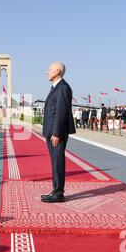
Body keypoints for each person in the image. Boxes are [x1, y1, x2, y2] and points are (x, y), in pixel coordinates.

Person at [41, 62, 76, 203]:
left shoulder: (62, 88)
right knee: (55, 161)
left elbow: (60, 113)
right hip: (52, 131)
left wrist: (56, 133)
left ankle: (59, 192)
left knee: (57, 161)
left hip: (57, 132)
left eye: (49, 70)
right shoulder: (56, 87)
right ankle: (56, 190)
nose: (47, 72)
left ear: (57, 71)